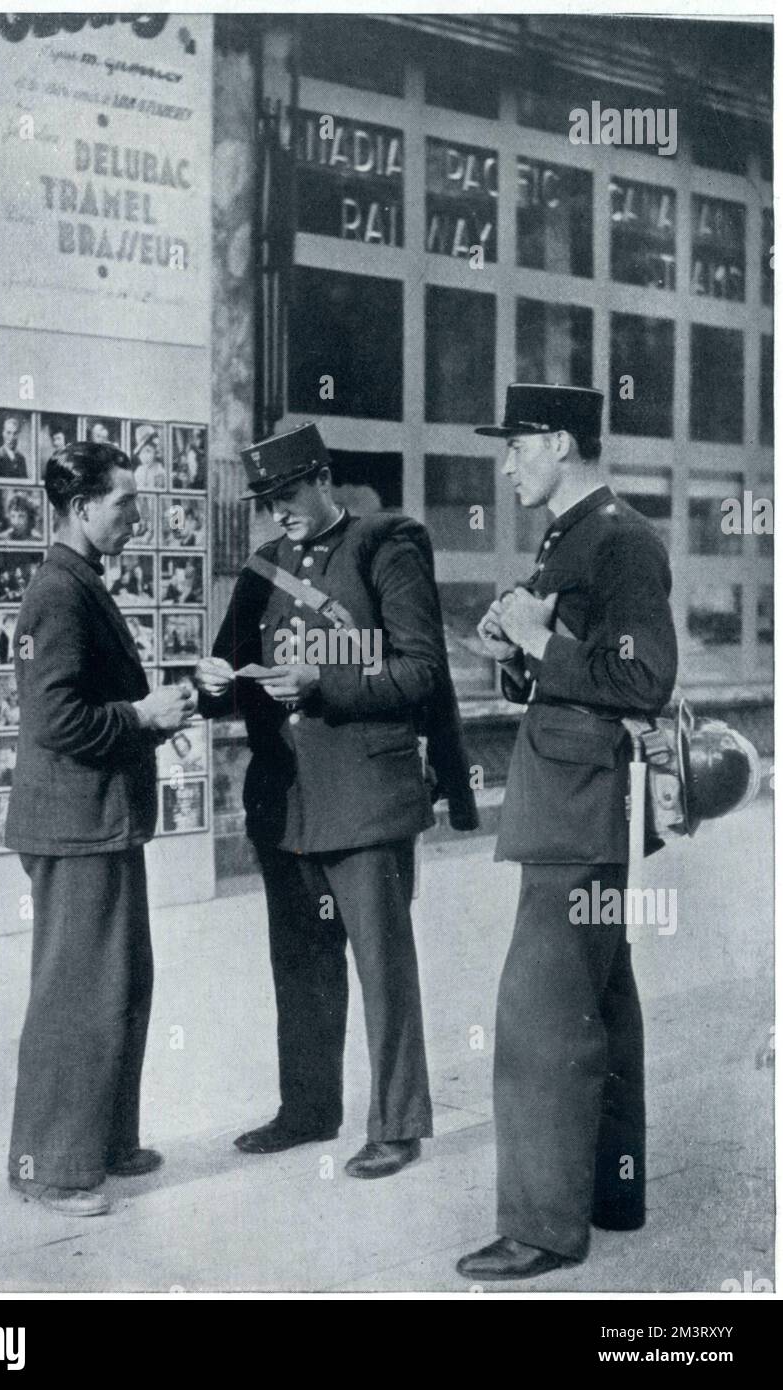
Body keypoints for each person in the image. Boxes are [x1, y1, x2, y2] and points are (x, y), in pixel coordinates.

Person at [196, 422, 478, 1179]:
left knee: (382, 967)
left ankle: (398, 1123)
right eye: (264, 500)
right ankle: (307, 1107)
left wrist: (327, 685)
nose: (276, 510)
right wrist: (210, 684)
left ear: (321, 478)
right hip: (286, 802)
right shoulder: (263, 566)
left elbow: (421, 671)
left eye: (285, 494)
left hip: (365, 795)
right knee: (300, 964)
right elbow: (229, 664)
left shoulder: (385, 545)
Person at [456, 383, 678, 1282]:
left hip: (576, 806)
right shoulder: (571, 535)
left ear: (556, 441)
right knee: (600, 1002)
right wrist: (516, 657)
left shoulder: (619, 538)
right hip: (573, 796)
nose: (506, 464)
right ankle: (610, 1190)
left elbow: (643, 680)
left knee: (540, 1017)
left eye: (515, 446)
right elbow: (577, 672)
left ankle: (543, 1227)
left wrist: (540, 646)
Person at [5, 440, 195, 1218]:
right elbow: (53, 717)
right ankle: (50, 1167)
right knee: (77, 997)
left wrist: (153, 716)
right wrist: (143, 716)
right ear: (82, 510)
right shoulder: (60, 591)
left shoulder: (78, 583)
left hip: (97, 823)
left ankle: (104, 1144)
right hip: (77, 827)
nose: (136, 515)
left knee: (119, 986)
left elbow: (87, 705)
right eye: (124, 503)